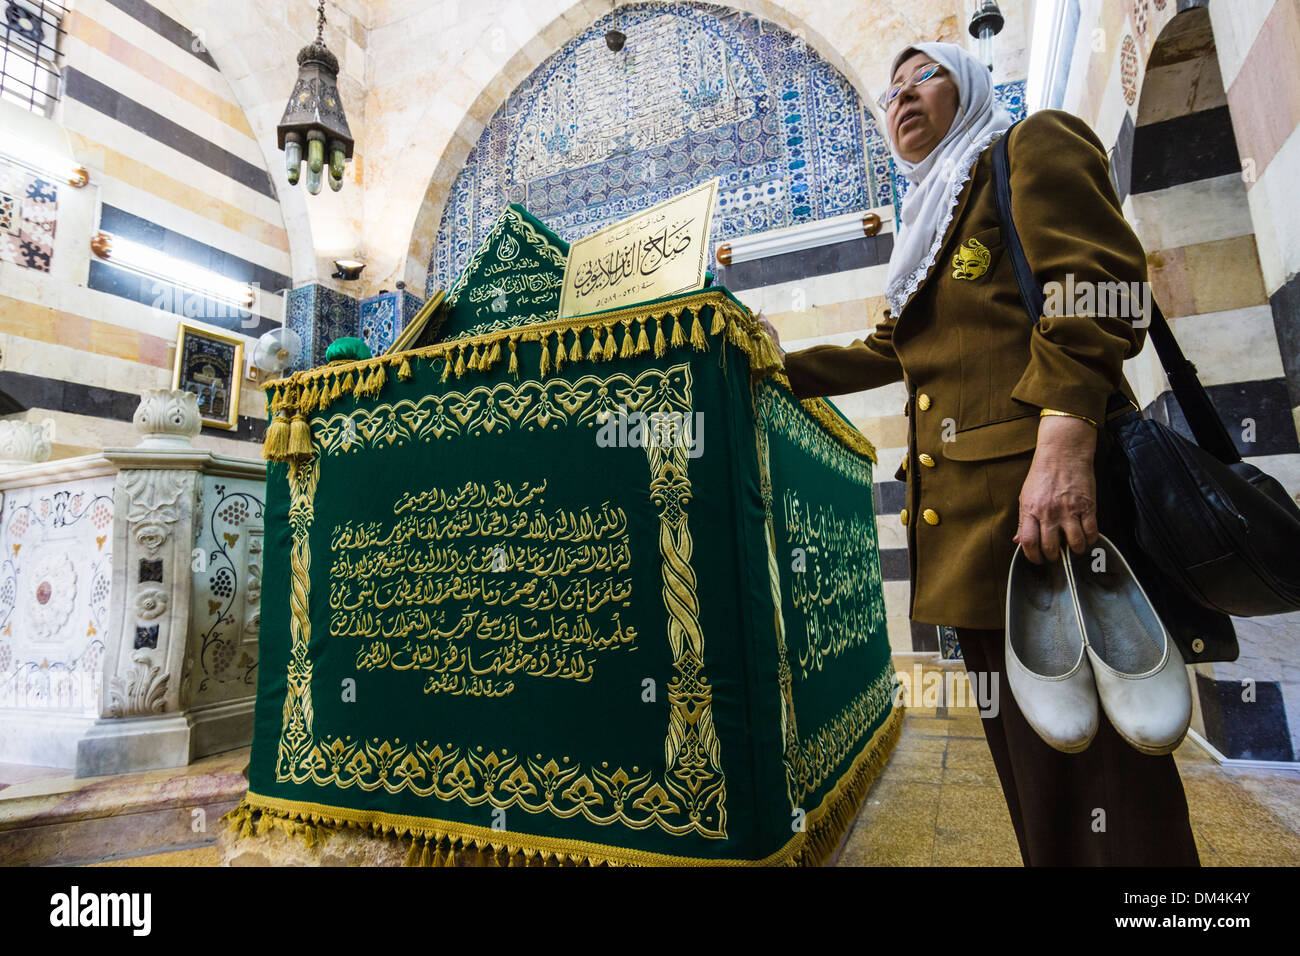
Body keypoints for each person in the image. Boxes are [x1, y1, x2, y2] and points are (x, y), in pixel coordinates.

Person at [761, 41, 1200, 866]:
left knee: (1109, 783)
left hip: (1051, 519)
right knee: (1042, 778)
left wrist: (1065, 445)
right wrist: (766, 361)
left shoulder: (1027, 147)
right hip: (979, 537)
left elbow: (1098, 287)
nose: (901, 99)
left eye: (921, 77)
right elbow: (887, 351)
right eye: (889, 93)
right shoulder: (930, 219)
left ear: (965, 84)